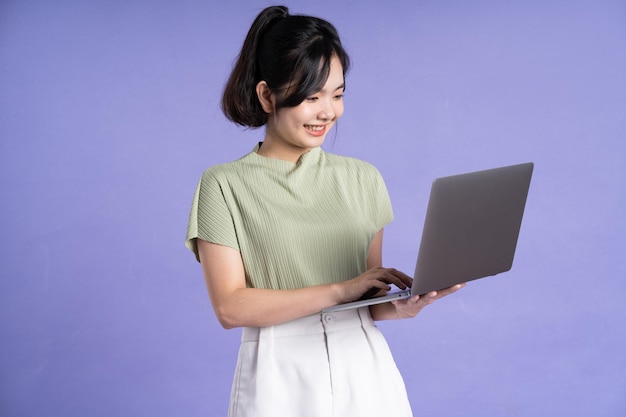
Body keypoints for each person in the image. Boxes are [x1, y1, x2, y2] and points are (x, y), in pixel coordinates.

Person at [185, 5, 463, 417]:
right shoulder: (224, 185)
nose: (327, 112)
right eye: (311, 97)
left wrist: (404, 305)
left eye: (337, 94)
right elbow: (231, 307)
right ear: (267, 95)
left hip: (366, 372)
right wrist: (341, 289)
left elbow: (367, 301)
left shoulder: (363, 178)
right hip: (279, 375)